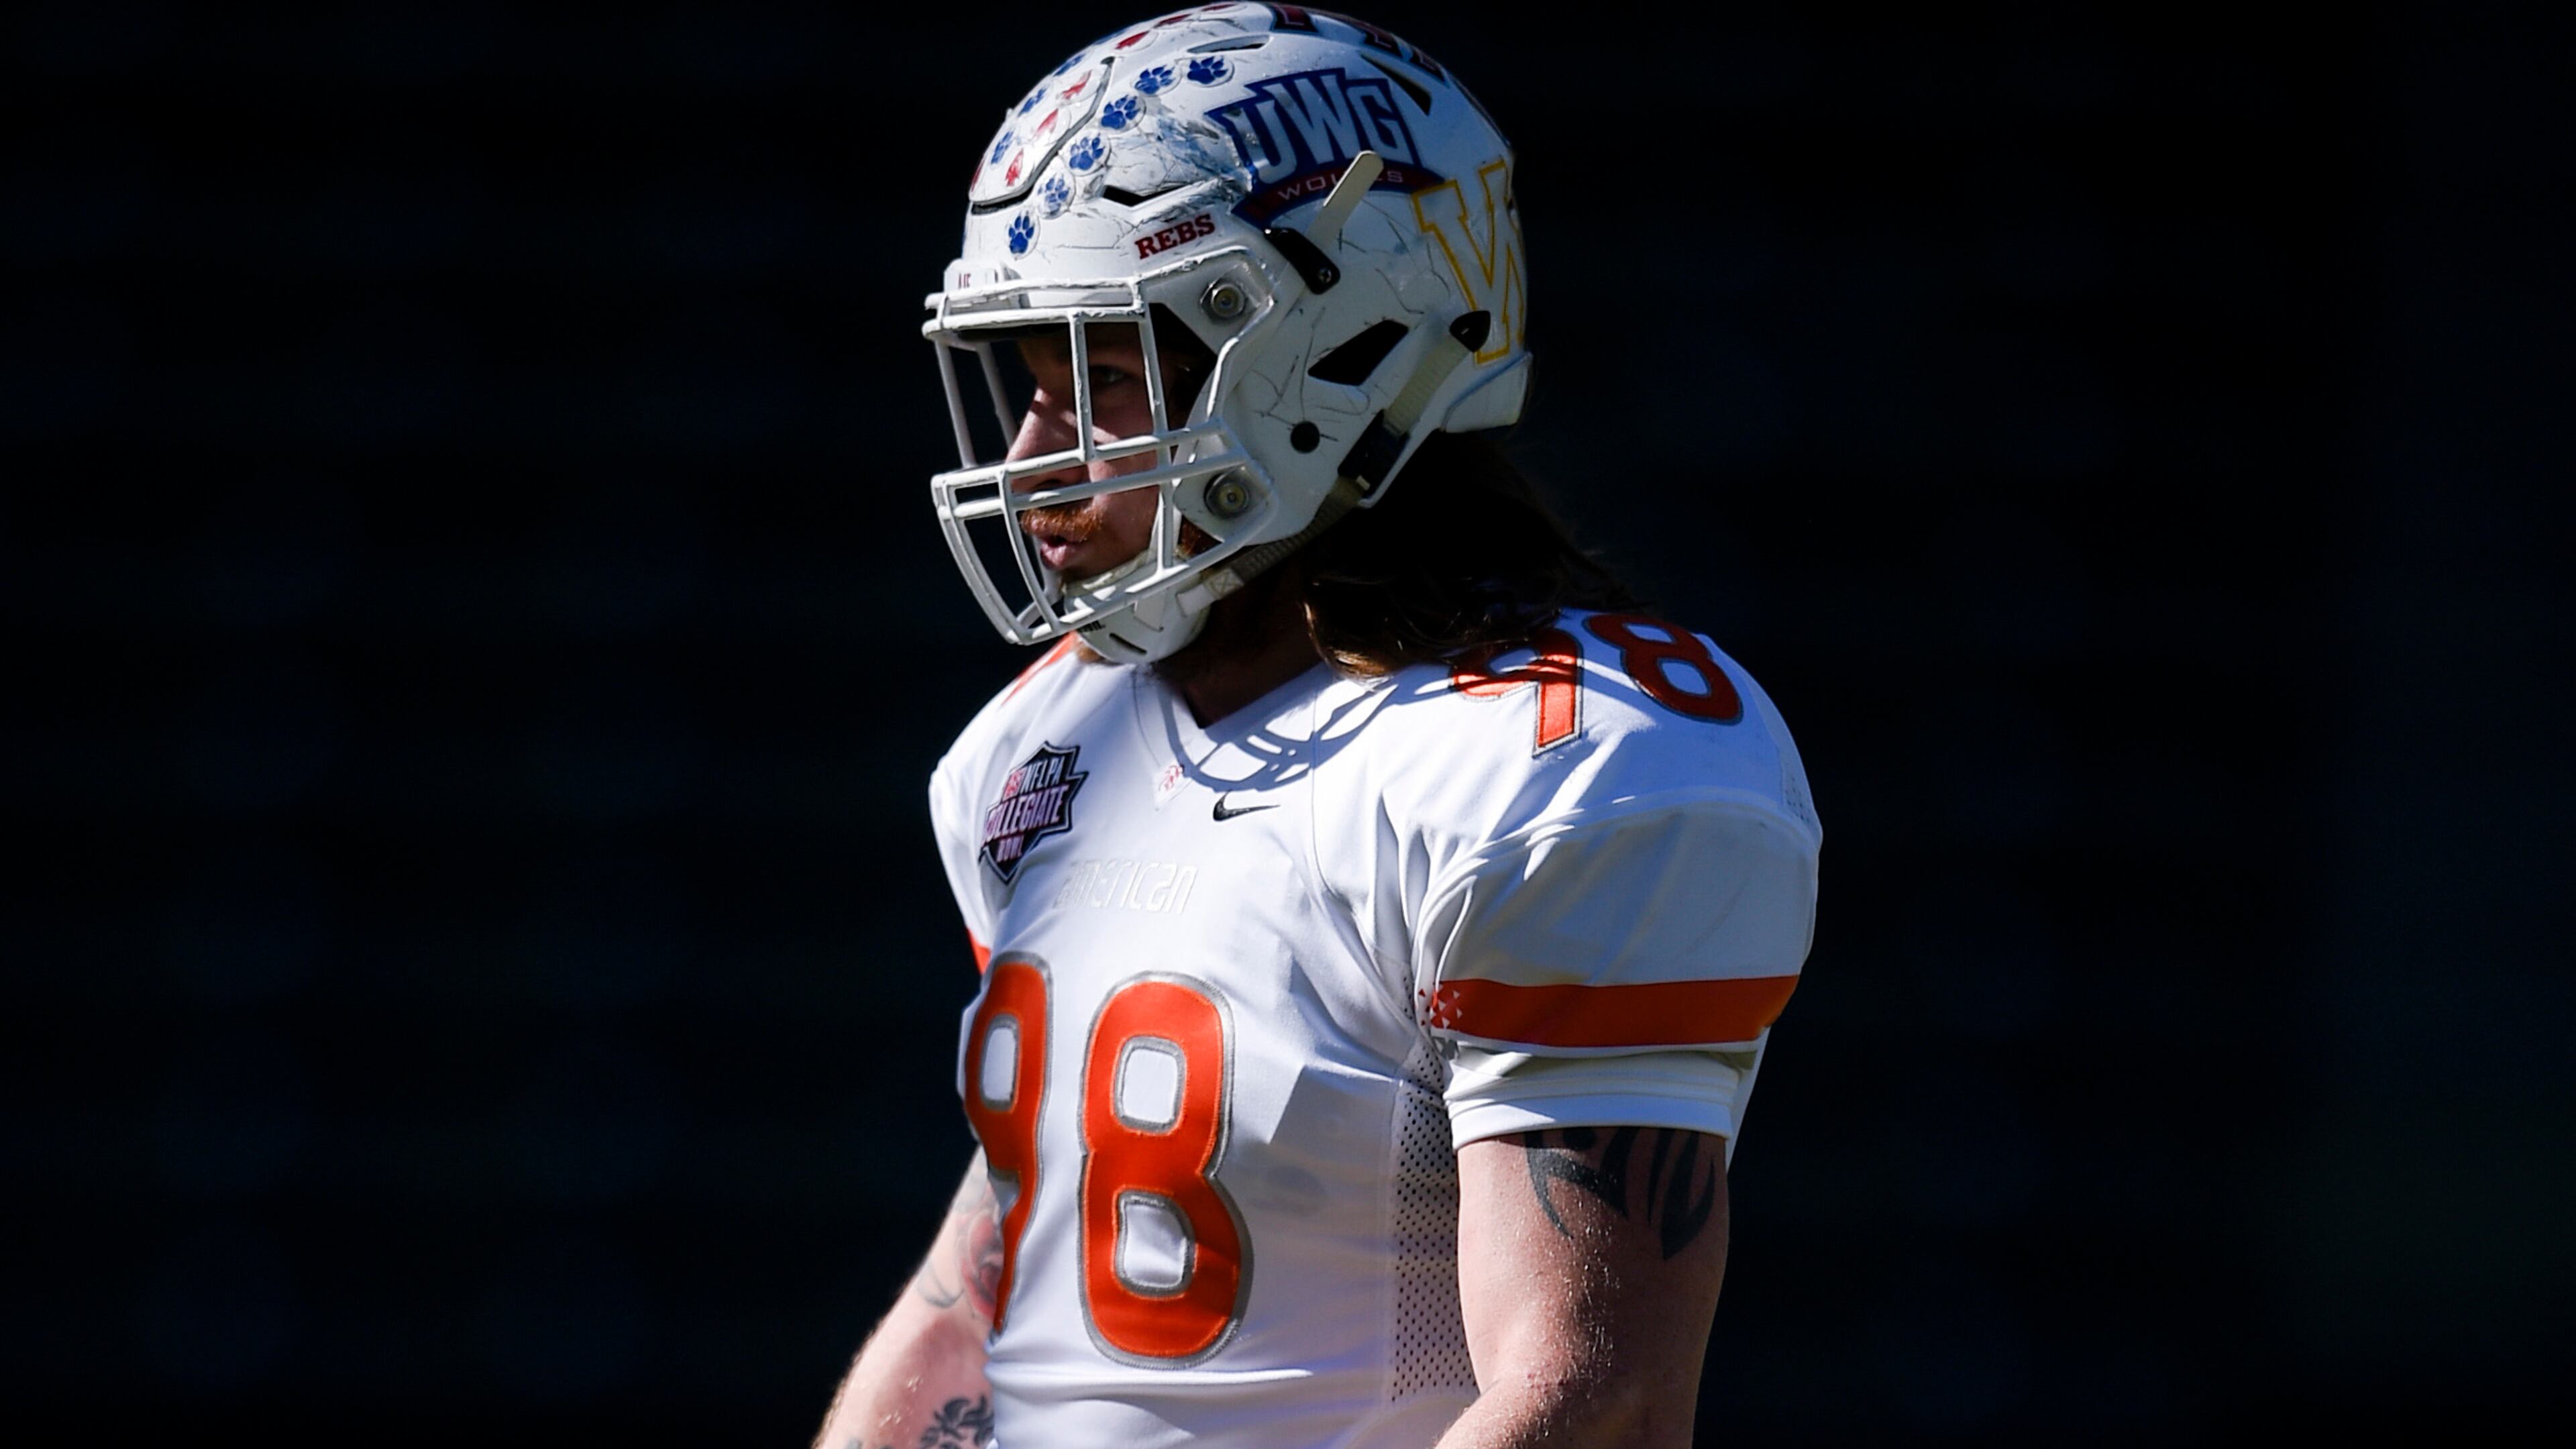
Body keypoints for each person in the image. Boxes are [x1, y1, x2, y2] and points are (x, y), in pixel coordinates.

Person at [815, 8, 1819, 1447]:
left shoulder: (1569, 758)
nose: (1036, 464)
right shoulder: (1044, 748)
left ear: (1343, 343)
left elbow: (1594, 1399)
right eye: (1027, 388)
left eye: (1098, 381)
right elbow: (976, 1308)